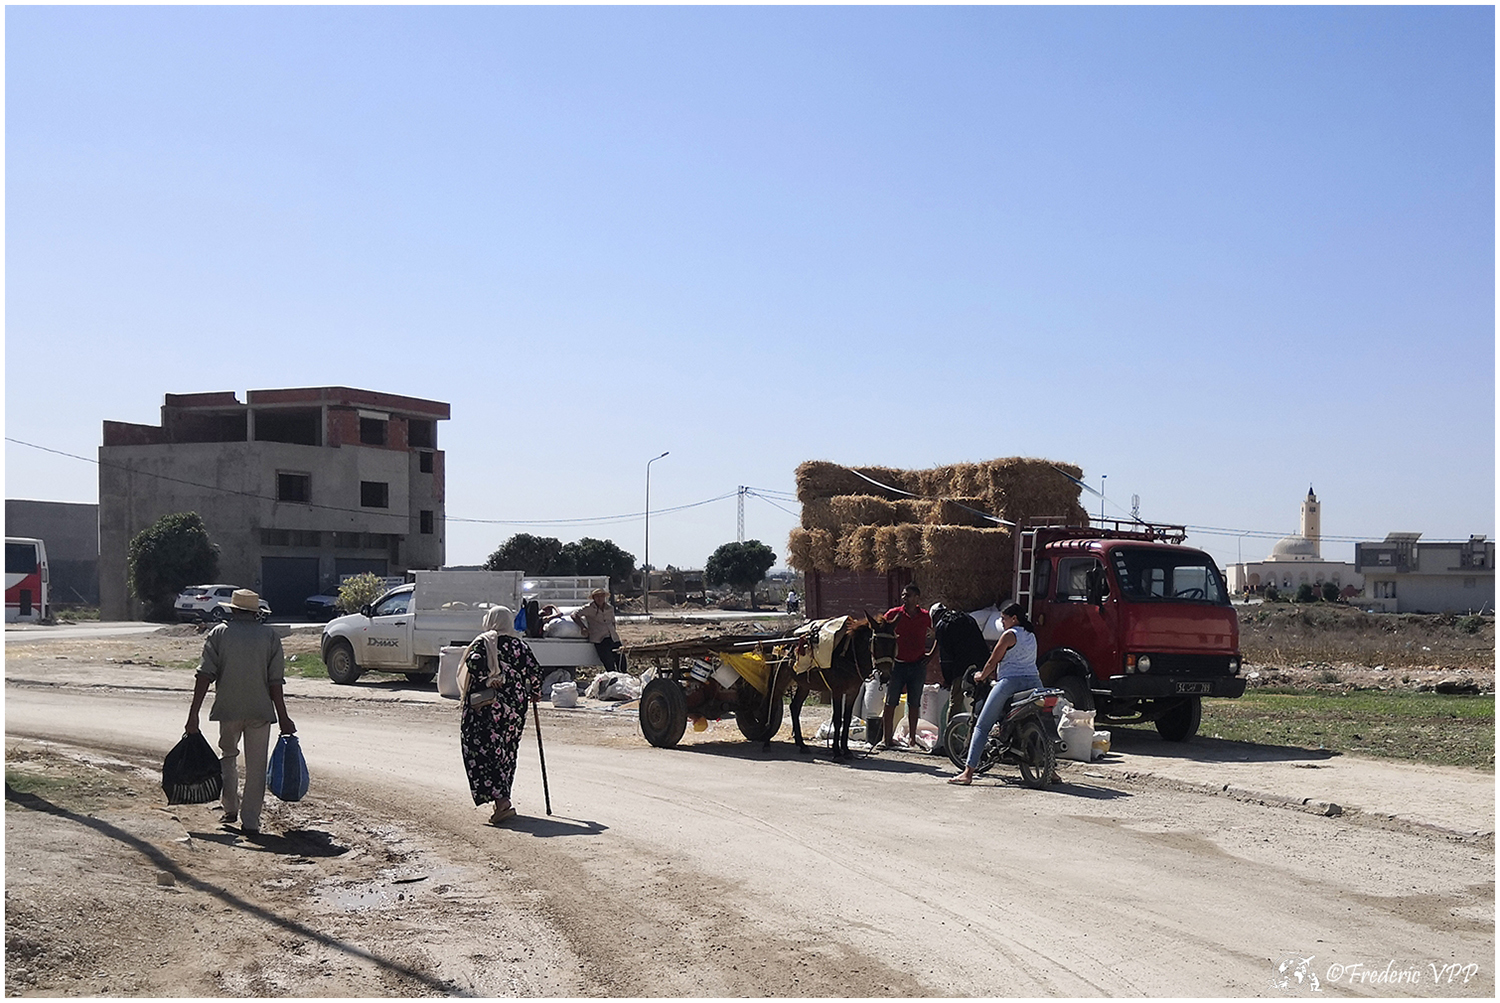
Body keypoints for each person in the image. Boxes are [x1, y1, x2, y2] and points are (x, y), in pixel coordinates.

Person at [185, 589, 295, 835]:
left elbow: (204, 676)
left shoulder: (219, 634)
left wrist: (193, 714)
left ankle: (230, 808)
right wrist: (284, 718)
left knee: (228, 756)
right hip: (260, 712)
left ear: (233, 610)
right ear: (256, 612)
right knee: (257, 768)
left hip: (228, 709)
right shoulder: (270, 637)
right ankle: (251, 822)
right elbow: (275, 683)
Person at [458, 605, 543, 824]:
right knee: (507, 751)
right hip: (515, 709)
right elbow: (535, 671)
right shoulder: (520, 645)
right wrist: (535, 692)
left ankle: (501, 801)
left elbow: (473, 663)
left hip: (487, 706)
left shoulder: (485, 642)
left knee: (484, 750)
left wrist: (489, 678)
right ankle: (502, 799)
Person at [947, 602, 1041, 785]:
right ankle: (1052, 772)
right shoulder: (1031, 634)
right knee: (1040, 721)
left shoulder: (1009, 635)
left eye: (1004, 619)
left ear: (1014, 619)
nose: (1002, 622)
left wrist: (981, 676)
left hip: (1010, 683)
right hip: (1035, 682)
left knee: (982, 725)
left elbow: (992, 661)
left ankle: (967, 773)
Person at [878, 583, 933, 751]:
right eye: (903, 595)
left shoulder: (925, 616)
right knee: (890, 702)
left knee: (914, 703)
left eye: (908, 595)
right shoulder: (893, 614)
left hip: (917, 665)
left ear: (917, 598)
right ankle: (886, 739)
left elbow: (939, 634)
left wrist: (931, 655)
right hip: (897, 665)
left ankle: (912, 740)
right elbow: (880, 632)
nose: (904, 598)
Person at [930, 602, 990, 724]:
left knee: (956, 702)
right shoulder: (967, 618)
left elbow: (945, 658)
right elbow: (981, 643)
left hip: (960, 669)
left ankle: (951, 732)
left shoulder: (942, 625)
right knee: (983, 698)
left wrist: (948, 680)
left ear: (935, 617)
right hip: (980, 666)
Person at [571, 588, 625, 673]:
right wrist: (583, 627)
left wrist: (613, 630)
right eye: (597, 597)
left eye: (602, 596)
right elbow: (574, 615)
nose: (600, 599)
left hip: (613, 637)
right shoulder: (589, 608)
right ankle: (613, 678)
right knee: (609, 663)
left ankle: (624, 677)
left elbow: (613, 622)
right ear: (594, 598)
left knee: (621, 660)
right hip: (600, 639)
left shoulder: (610, 608)